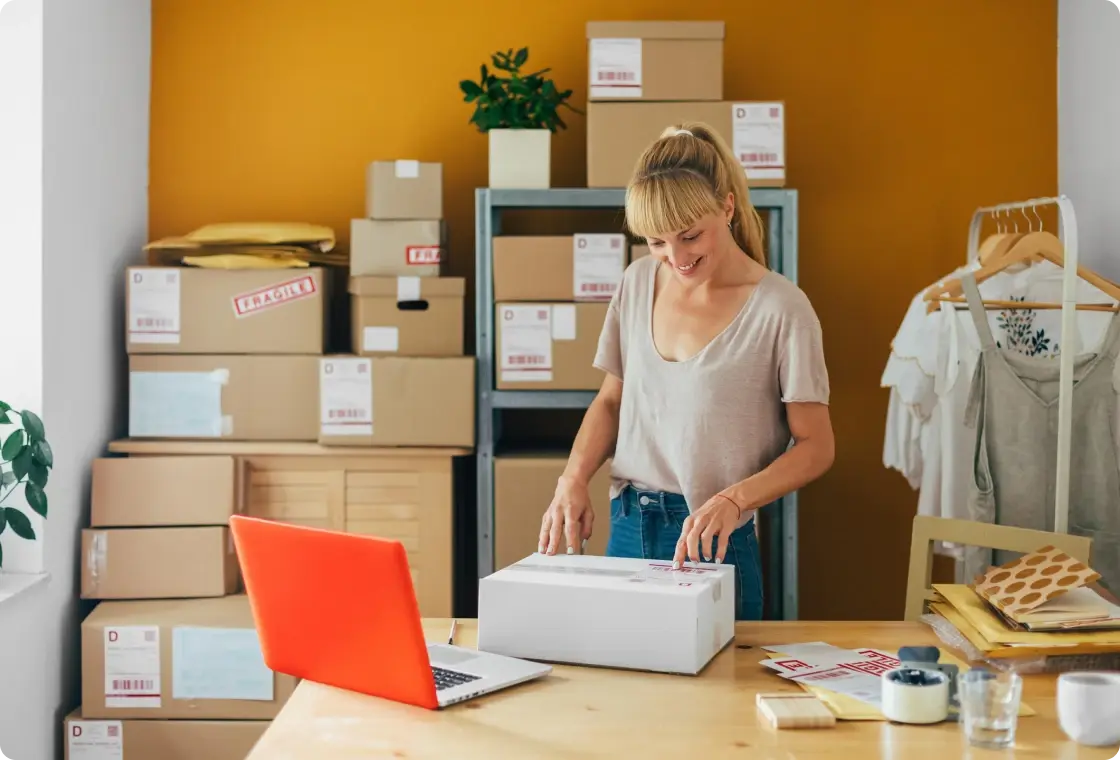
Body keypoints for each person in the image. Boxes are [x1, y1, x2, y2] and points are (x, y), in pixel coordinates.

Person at [537, 122, 834, 620]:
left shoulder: (782, 308)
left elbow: (816, 445)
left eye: (690, 236)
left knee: (716, 696)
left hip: (713, 535)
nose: (676, 258)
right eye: (655, 242)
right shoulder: (637, 282)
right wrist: (573, 477)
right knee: (628, 691)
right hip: (629, 521)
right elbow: (613, 400)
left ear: (727, 208)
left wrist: (736, 502)